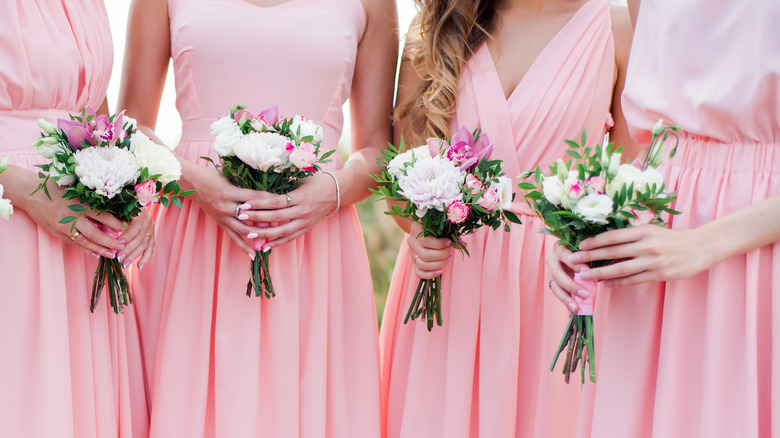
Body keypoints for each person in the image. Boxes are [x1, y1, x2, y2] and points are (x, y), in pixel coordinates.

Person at [118, 0, 397, 435]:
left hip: (313, 244)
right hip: (192, 238)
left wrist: (331, 192)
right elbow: (129, 124)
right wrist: (196, 183)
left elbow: (379, 147)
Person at [379, 0, 636, 436]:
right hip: (445, 281)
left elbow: (625, 178)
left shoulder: (616, 27)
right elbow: (401, 176)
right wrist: (418, 228)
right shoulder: (437, 25)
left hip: (555, 288)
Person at [547, 0, 780, 436]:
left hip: (758, 246)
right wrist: (592, 222)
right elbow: (651, 142)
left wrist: (703, 244)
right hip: (653, 255)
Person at [0, 1, 153, 436]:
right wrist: (31, 191)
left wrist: (137, 191)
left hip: (84, 239)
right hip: (11, 220)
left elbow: (97, 119)